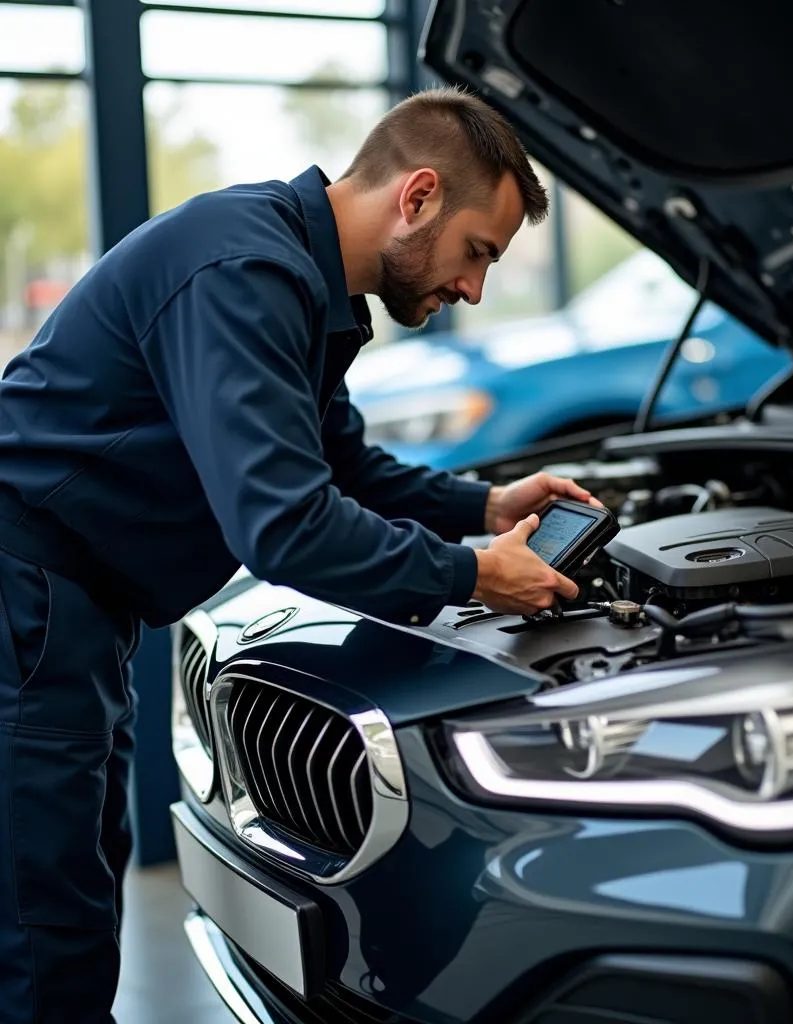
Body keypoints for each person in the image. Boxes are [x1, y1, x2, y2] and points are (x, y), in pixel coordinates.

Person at [0, 86, 600, 1023]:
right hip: (26, 593)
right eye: (478, 252)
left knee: (67, 887)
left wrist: (483, 504)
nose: (474, 288)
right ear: (418, 196)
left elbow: (339, 464)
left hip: (69, 600)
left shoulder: (306, 278)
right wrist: (476, 574)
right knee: (46, 936)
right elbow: (283, 526)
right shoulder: (245, 269)